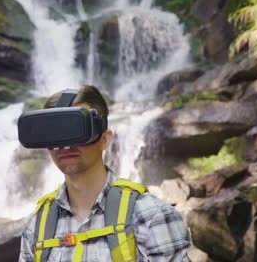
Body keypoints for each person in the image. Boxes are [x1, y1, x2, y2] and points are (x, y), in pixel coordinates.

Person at [18, 85, 191, 262]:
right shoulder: (37, 224)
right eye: (55, 133)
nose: (65, 145)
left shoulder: (150, 216)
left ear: (105, 138)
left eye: (76, 129)